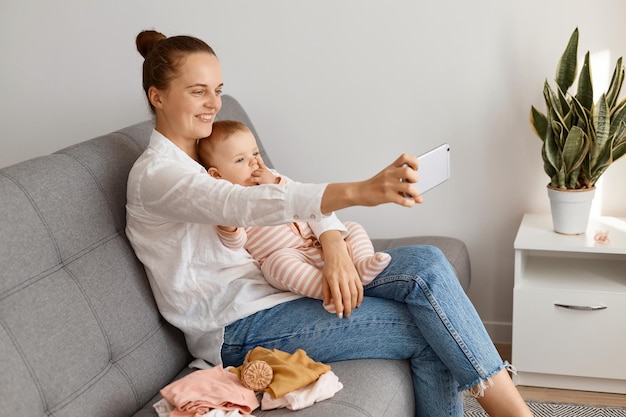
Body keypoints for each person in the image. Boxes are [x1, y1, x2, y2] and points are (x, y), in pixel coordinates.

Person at [125, 29, 533, 417]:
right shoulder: (159, 177)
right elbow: (249, 204)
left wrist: (335, 244)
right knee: (434, 330)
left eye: (217, 90)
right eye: (198, 92)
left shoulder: (214, 150)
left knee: (425, 263)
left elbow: (288, 189)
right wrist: (361, 191)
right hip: (239, 328)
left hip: (287, 288)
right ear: (157, 96)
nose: (213, 103)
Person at [198, 120, 392, 316]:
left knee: (353, 226)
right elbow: (235, 242)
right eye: (240, 160)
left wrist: (274, 182)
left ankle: (361, 265)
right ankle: (329, 292)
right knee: (278, 264)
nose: (254, 162)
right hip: (290, 255)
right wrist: (228, 225)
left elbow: (303, 197)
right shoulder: (232, 204)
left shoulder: (273, 177)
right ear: (217, 175)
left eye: (255, 153)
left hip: (319, 244)